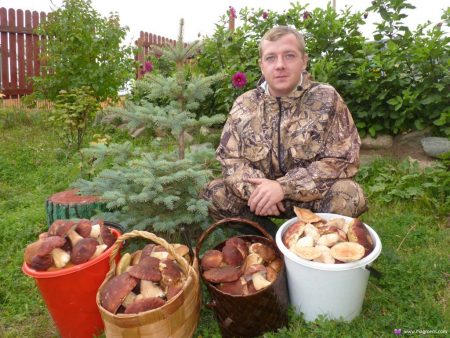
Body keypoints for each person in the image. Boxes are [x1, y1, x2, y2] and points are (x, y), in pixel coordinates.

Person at [201, 26, 367, 237]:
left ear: (304, 61)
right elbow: (230, 160)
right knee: (213, 193)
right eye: (271, 58)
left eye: (289, 56)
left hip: (311, 197)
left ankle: (313, 241)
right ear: (261, 65)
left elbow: (343, 159)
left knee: (350, 194)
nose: (280, 65)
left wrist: (282, 188)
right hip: (260, 202)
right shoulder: (244, 104)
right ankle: (267, 238)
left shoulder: (327, 99)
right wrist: (260, 193)